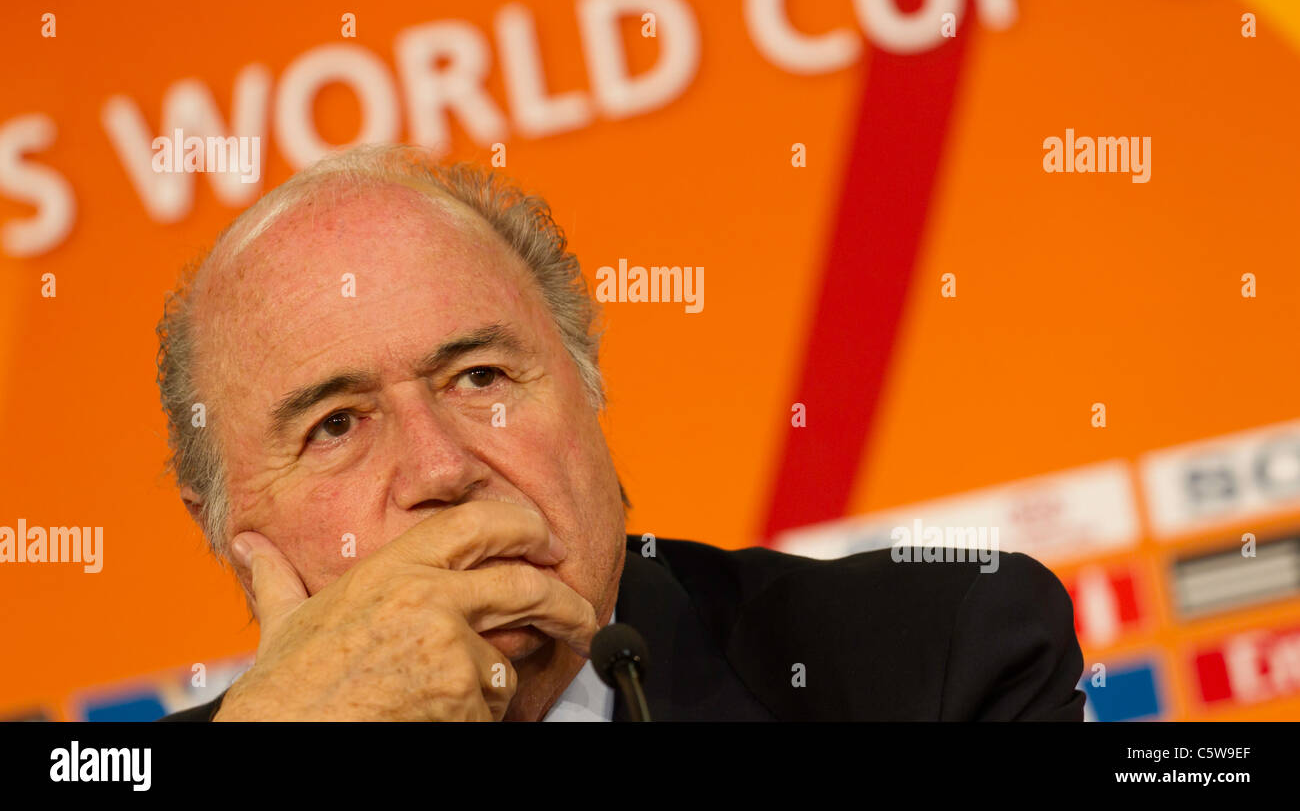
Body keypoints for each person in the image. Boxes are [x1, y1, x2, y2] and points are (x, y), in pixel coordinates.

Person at [155, 144, 1085, 721]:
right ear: (231, 531)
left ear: (587, 387)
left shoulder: (932, 657)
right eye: (336, 425)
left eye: (479, 377)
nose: (441, 469)